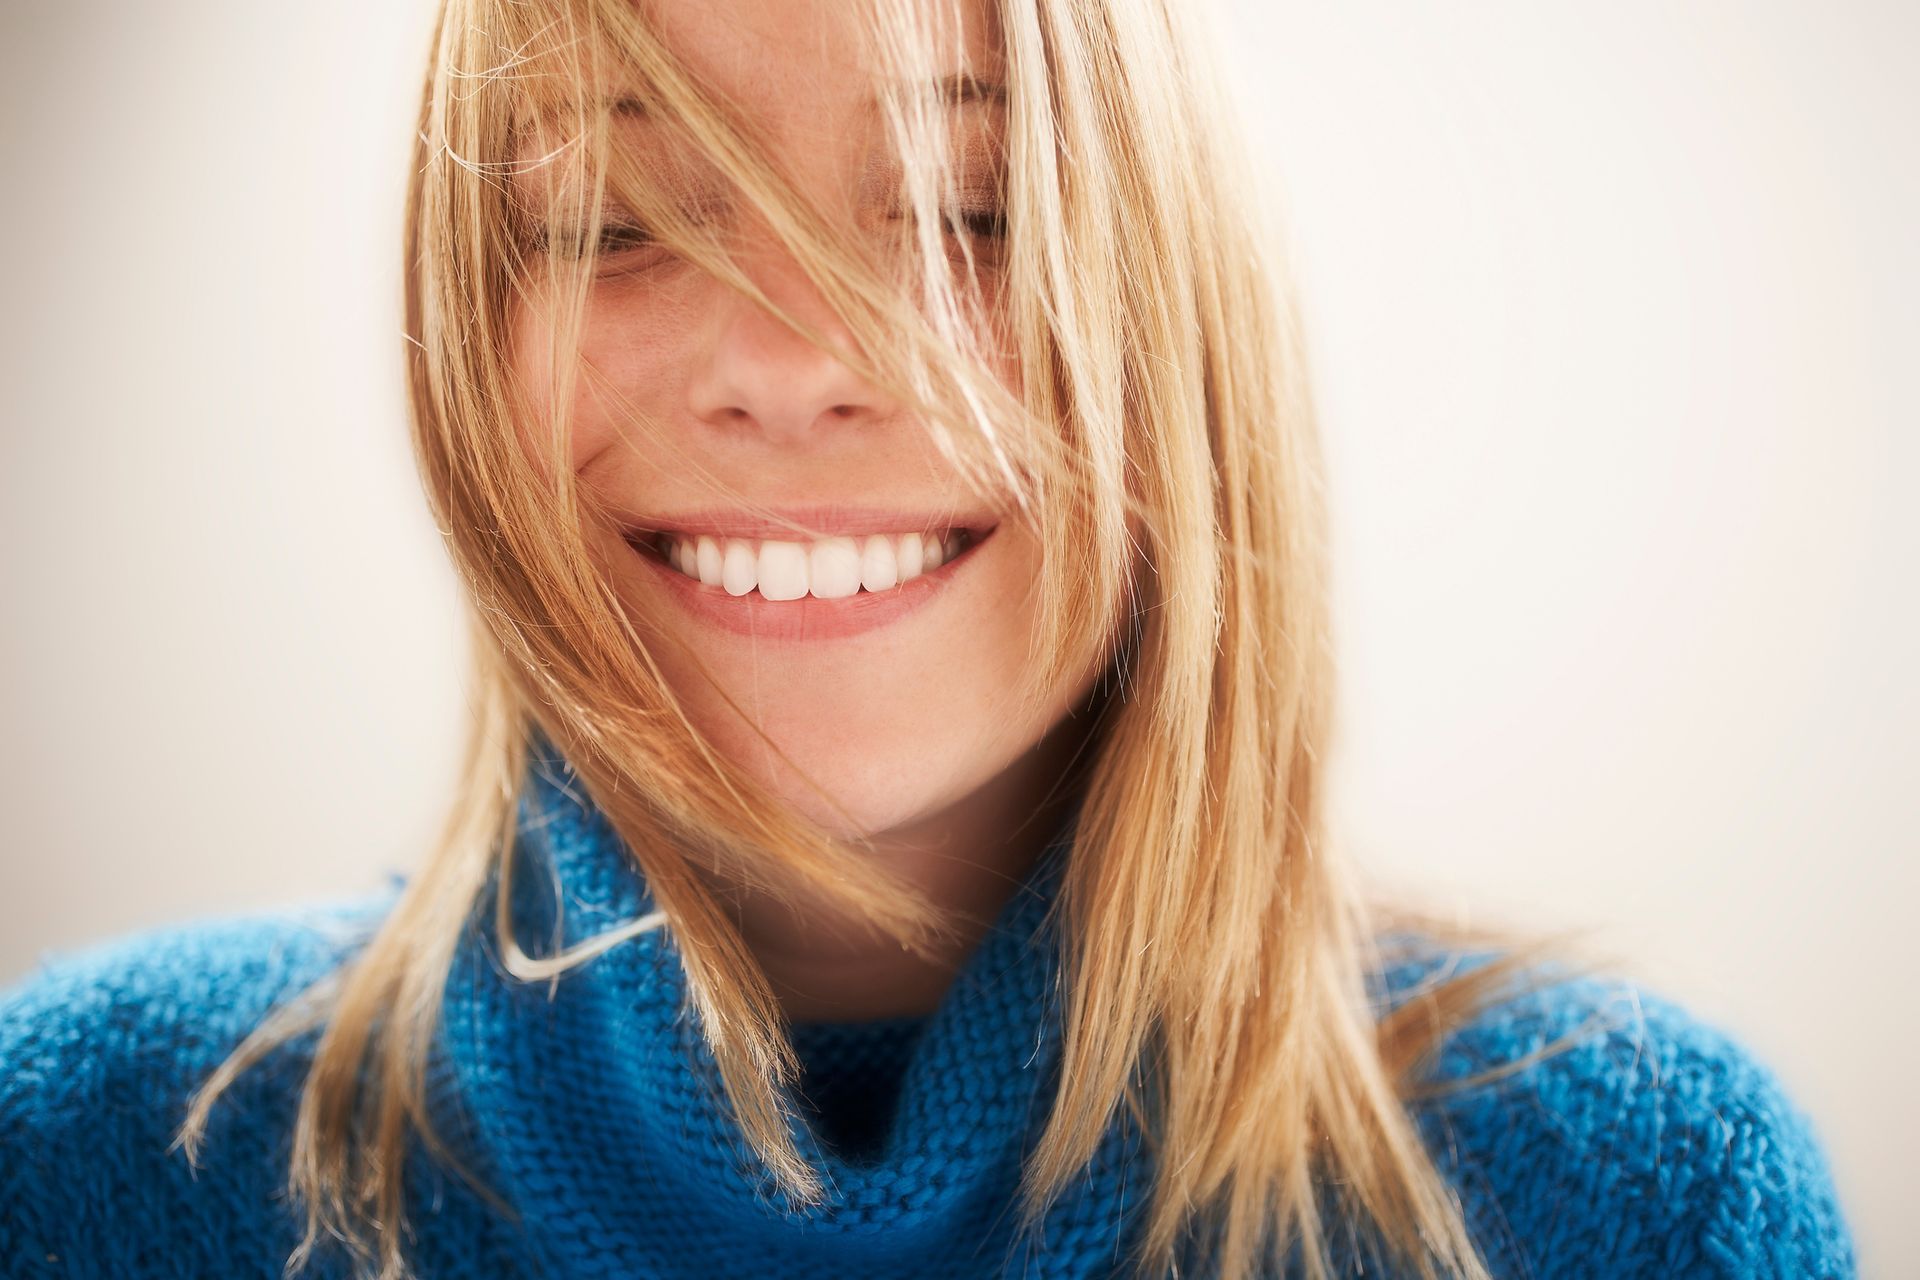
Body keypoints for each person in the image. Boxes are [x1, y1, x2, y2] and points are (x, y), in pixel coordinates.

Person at [0, 0, 1858, 1276]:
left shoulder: (1633, 1198)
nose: (790, 357)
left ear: (1184, 319)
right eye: (616, 218)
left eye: (971, 210)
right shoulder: (82, 1157)